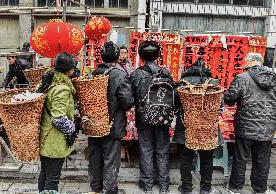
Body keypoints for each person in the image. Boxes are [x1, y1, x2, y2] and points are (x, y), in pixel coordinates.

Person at [224, 53, 276, 194]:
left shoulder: (242, 78)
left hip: (245, 126)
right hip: (267, 127)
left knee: (240, 159)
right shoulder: (274, 78)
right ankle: (259, 189)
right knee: (262, 160)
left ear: (249, 62)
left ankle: (235, 187)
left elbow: (230, 98)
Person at [87, 41, 134, 194]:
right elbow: (127, 102)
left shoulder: (92, 74)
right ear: (116, 57)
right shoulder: (119, 75)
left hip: (94, 124)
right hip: (112, 124)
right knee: (111, 158)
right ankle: (110, 190)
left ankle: (96, 188)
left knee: (95, 157)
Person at [130, 40, 176, 194]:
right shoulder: (166, 73)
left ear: (141, 56)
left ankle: (147, 184)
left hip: (143, 118)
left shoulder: (136, 74)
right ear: (158, 56)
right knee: (162, 150)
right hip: (163, 118)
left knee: (146, 150)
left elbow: (130, 98)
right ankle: (164, 185)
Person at [174, 57, 221, 194]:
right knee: (207, 159)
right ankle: (205, 188)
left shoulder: (183, 84)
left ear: (189, 71)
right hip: (208, 128)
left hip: (186, 127)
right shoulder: (213, 83)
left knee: (186, 159)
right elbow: (220, 104)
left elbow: (175, 103)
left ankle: (187, 188)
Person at [37, 52, 77, 192]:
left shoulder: (49, 81)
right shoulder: (62, 88)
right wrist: (74, 128)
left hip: (45, 137)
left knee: (45, 174)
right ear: (70, 69)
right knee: (52, 178)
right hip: (54, 140)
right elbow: (58, 119)